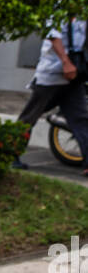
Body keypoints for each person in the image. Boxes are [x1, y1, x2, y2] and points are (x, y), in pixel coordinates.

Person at [14, 18, 88, 174]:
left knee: (81, 119)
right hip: (52, 74)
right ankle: (10, 155)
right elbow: (53, 36)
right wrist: (66, 62)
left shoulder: (82, 11)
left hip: (74, 77)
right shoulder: (61, 6)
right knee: (29, 117)